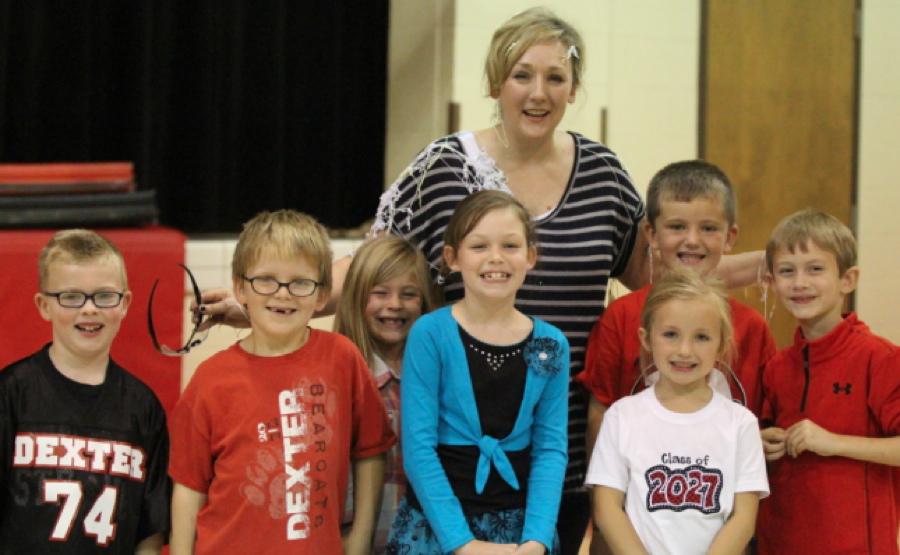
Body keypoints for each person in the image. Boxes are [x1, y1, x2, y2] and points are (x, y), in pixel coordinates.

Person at [194, 9, 764, 552]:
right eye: (522, 75)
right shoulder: (443, 168)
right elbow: (370, 263)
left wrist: (774, 268)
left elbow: (666, 281)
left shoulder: (605, 177)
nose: (537, 92)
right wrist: (279, 300)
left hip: (557, 460)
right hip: (454, 466)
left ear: (573, 89)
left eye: (555, 78)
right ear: (496, 83)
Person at [168, 210, 396, 555]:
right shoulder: (210, 379)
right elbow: (189, 486)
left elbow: (371, 452)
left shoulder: (341, 358)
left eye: (300, 282)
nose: (283, 294)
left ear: (322, 295)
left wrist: (360, 539)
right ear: (240, 288)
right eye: (266, 280)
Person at [385, 190, 569, 554]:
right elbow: (419, 450)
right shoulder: (430, 334)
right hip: (438, 529)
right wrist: (463, 545)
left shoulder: (551, 344)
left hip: (519, 532)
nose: (495, 258)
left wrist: (536, 539)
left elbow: (550, 449)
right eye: (479, 246)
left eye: (511, 246)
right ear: (453, 258)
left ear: (531, 257)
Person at [578, 160, 775, 462]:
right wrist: (600, 499)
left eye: (708, 228)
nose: (692, 240)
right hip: (634, 502)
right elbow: (600, 410)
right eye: (677, 227)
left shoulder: (751, 327)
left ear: (730, 237)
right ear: (652, 234)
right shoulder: (621, 317)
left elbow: (763, 424)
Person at [0, 229, 170, 554]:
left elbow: (150, 530)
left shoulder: (143, 407)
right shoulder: (11, 394)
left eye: (104, 296)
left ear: (125, 304)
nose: (89, 309)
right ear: (43, 305)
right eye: (71, 296)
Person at [586, 270, 769, 554]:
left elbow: (744, 518)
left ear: (722, 343)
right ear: (646, 339)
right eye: (671, 334)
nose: (685, 350)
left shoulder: (740, 423)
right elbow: (607, 507)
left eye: (701, 337)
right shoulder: (623, 417)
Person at [756, 209, 900, 555]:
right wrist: (761, 443)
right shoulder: (776, 366)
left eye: (815, 269)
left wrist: (833, 442)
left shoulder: (880, 358)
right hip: (780, 542)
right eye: (787, 271)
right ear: (772, 282)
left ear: (847, 280)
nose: (800, 282)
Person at [333, 235, 437, 552]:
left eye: (408, 294)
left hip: (424, 541)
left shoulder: (436, 378)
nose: (394, 304)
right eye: (380, 293)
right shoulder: (336, 378)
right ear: (355, 298)